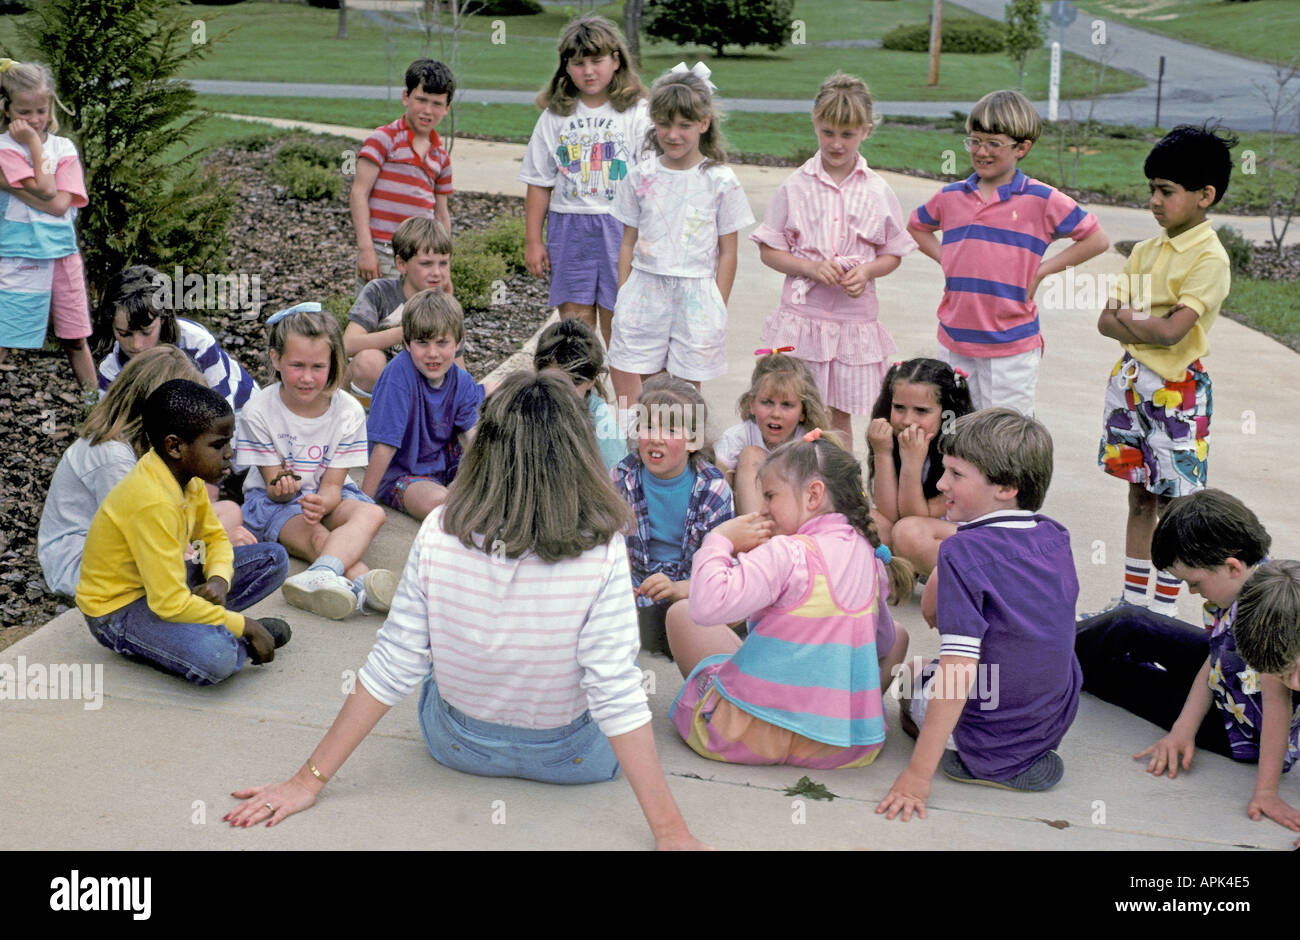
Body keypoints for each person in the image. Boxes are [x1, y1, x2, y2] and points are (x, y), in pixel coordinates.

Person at [224, 371, 706, 850]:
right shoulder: (602, 549)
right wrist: (670, 833)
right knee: (623, 683)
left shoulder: (439, 528)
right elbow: (614, 692)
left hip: (458, 746)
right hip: (574, 758)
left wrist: (306, 782)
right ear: (578, 454)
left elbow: (394, 664)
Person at [878, 409, 1080, 821]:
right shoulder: (1054, 535)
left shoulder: (961, 553)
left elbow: (958, 669)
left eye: (955, 473)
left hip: (983, 728)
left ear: (1006, 487)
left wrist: (918, 774)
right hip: (1049, 721)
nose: (940, 483)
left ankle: (969, 753)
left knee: (913, 674)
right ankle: (1015, 748)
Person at [669, 430, 913, 768]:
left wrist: (719, 540)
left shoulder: (786, 552)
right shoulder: (869, 556)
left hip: (746, 737)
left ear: (813, 495)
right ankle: (843, 716)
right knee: (898, 633)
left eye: (770, 495)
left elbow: (707, 606)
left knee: (681, 613)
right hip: (840, 749)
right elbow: (883, 643)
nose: (765, 508)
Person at [1075, 491, 1300, 834]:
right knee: (1129, 622)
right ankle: (1048, 644)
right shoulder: (1259, 579)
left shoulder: (1272, 620)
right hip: (1228, 676)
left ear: (1231, 567)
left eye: (1194, 583)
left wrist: (1266, 791)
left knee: (1114, 678)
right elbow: (1214, 658)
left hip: (1237, 726)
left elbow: (1276, 705)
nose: (1192, 593)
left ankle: (1055, 661)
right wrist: (1182, 728)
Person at [1093, 124, 1237, 618]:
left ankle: (1164, 612)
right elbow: (1104, 321)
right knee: (1139, 497)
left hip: (1180, 394)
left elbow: (1175, 332)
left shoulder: (1209, 258)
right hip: (1131, 386)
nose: (1154, 200)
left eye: (1166, 191)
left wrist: (1132, 320)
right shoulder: (1144, 251)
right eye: (1151, 188)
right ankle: (1133, 607)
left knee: (1176, 505)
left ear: (1205, 196)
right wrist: (1145, 322)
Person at [76, 379, 291, 686]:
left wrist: (218, 579)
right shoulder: (152, 501)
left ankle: (206, 629)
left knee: (273, 557)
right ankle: (227, 640)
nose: (230, 453)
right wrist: (245, 626)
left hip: (164, 586)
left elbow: (215, 537)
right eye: (218, 445)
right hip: (119, 610)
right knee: (218, 658)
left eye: (228, 442)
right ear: (175, 446)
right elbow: (169, 604)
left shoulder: (186, 478)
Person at [907, 89, 1109, 415]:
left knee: (1004, 440)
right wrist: (948, 258)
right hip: (954, 343)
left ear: (1022, 147)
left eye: (993, 143)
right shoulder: (950, 197)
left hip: (1011, 349)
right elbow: (917, 226)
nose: (981, 151)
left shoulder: (1041, 199)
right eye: (974, 141)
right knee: (955, 433)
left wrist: (1042, 270)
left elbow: (1096, 239)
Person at [753, 73, 916, 444]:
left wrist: (868, 270)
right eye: (828, 133)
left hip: (852, 322)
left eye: (847, 134)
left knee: (839, 416)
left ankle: (839, 486)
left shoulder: (877, 190)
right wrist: (808, 267)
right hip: (802, 318)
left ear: (866, 131)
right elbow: (769, 249)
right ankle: (792, 483)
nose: (837, 144)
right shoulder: (795, 186)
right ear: (815, 123)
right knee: (795, 406)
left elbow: (893, 252)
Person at [39, 347, 250, 596]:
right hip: (83, 564)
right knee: (233, 556)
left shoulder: (148, 444)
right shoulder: (112, 458)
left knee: (229, 512)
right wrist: (209, 549)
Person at [607, 64, 754, 416]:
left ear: (704, 123)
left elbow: (728, 251)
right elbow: (627, 241)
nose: (673, 134)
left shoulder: (720, 180)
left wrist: (717, 303)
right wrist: (625, 292)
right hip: (646, 289)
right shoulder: (641, 176)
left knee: (687, 389)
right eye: (664, 124)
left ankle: (684, 454)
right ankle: (642, 450)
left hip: (696, 295)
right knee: (647, 384)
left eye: (684, 125)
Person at [235, 304, 397, 621]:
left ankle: (320, 575)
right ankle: (364, 584)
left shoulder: (348, 411)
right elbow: (273, 488)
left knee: (372, 513)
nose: (307, 378)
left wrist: (323, 503)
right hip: (274, 502)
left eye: (317, 366)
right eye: (297, 365)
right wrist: (284, 489)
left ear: (333, 363)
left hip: (330, 494)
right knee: (319, 538)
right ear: (275, 359)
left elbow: (334, 485)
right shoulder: (258, 410)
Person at [520, 14, 650, 347]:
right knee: (576, 333)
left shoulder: (638, 113)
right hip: (570, 228)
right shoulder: (554, 116)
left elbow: (652, 183)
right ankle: (580, 397)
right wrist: (534, 241)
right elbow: (538, 183)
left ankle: (624, 399)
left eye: (597, 61)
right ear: (565, 67)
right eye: (578, 63)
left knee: (619, 326)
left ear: (616, 60)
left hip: (621, 231)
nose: (588, 71)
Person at [611, 374, 732, 657]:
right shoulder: (621, 478)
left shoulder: (713, 489)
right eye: (648, 426)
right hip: (635, 593)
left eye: (670, 430)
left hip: (689, 592)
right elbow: (605, 543)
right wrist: (621, 584)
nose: (656, 438)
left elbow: (724, 567)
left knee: (700, 614)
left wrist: (680, 588)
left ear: (693, 441)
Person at [0, 58, 95, 390]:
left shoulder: (63, 148)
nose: (35, 120)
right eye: (25, 112)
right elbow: (46, 188)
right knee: (2, 334)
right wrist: (35, 148)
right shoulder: (3, 149)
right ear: (7, 108)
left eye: (41, 110)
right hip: (16, 256)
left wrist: (34, 150)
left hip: (61, 256)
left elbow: (57, 202)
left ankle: (94, 407)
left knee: (76, 337)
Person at [361, 290, 484, 520]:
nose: (432, 353)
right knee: (441, 506)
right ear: (407, 343)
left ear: (458, 343)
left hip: (445, 465)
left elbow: (474, 439)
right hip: (402, 473)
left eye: (442, 342)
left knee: (501, 468)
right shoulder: (398, 376)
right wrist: (364, 502)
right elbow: (384, 446)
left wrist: (469, 479)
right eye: (422, 343)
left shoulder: (462, 381)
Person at [94, 264, 258, 417]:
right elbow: (107, 427)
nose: (136, 345)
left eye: (146, 332)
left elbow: (222, 414)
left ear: (163, 317)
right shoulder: (111, 369)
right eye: (124, 334)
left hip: (240, 414)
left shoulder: (197, 344)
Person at [351, 58, 455, 284]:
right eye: (421, 100)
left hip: (422, 261)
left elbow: (440, 214)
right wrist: (366, 249)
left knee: (418, 318)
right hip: (382, 254)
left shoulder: (441, 158)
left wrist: (443, 267)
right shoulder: (383, 140)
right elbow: (359, 193)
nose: (428, 110)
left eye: (437, 104)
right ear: (406, 97)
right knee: (376, 317)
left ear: (447, 108)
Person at [866, 357, 973, 570]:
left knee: (907, 532)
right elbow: (888, 514)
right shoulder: (892, 440)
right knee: (870, 522)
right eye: (899, 408)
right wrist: (882, 453)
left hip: (966, 538)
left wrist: (912, 465)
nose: (907, 420)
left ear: (947, 413)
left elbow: (912, 517)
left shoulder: (962, 453)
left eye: (921, 411)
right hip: (916, 526)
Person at [343, 215, 458, 406]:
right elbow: (348, 344)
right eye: (426, 264)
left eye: (443, 263)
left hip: (413, 395)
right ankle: (359, 429)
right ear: (401, 264)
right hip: (368, 388)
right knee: (369, 362)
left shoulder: (445, 307)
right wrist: (406, 332)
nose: (437, 272)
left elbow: (456, 364)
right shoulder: (380, 292)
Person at [715, 350, 831, 515]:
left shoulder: (810, 439)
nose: (776, 413)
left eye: (787, 405)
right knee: (750, 456)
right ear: (752, 405)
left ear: (803, 412)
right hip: (750, 522)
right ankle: (757, 534)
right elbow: (715, 489)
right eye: (767, 402)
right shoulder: (738, 437)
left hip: (797, 522)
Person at [533, 317, 626, 471]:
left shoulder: (604, 431)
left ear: (592, 380)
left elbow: (618, 485)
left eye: (574, 383)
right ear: (535, 369)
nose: (561, 392)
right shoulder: (518, 410)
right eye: (554, 380)